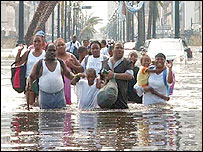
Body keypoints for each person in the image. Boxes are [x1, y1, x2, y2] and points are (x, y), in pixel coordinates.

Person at [27, 43, 75, 109]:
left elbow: (68, 74)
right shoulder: (40, 63)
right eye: (49, 50)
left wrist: (77, 78)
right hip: (44, 97)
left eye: (54, 50)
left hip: (59, 96)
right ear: (45, 51)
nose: (52, 52)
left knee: (61, 116)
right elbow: (31, 77)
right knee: (45, 117)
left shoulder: (60, 63)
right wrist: (28, 85)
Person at [15, 34, 45, 106]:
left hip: (41, 81)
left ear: (42, 43)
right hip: (29, 81)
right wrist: (19, 52)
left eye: (39, 41)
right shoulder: (28, 53)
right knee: (30, 105)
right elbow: (18, 63)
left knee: (39, 104)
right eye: (35, 41)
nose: (37, 43)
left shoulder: (45, 54)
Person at [101, 42, 134, 109]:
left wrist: (114, 75)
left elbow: (129, 76)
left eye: (121, 48)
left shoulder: (127, 62)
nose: (120, 50)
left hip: (121, 98)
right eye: (117, 47)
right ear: (112, 50)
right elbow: (101, 78)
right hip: (107, 97)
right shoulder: (105, 62)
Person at [55, 38, 83, 105]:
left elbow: (81, 69)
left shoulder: (70, 56)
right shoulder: (53, 57)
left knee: (67, 104)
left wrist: (72, 65)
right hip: (56, 83)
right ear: (55, 47)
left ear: (65, 46)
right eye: (58, 45)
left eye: (62, 44)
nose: (61, 46)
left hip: (67, 84)